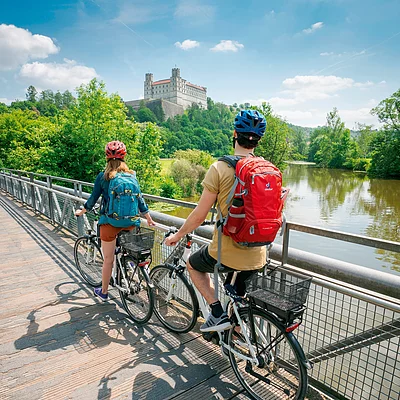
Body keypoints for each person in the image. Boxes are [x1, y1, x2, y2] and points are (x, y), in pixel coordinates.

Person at [165, 110, 267, 332]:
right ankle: (238, 340)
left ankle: (217, 313)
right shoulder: (266, 170)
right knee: (237, 297)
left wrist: (178, 235)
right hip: (258, 254)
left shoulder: (219, 168)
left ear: (234, 134)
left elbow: (199, 216)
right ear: (258, 141)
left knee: (193, 265)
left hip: (227, 252)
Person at [75, 140, 155, 301]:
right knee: (129, 246)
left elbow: (92, 199)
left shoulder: (103, 177)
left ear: (106, 157)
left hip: (110, 224)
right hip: (131, 223)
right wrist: (148, 218)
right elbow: (140, 200)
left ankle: (104, 292)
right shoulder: (132, 176)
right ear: (124, 157)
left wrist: (82, 211)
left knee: (108, 260)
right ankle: (131, 263)